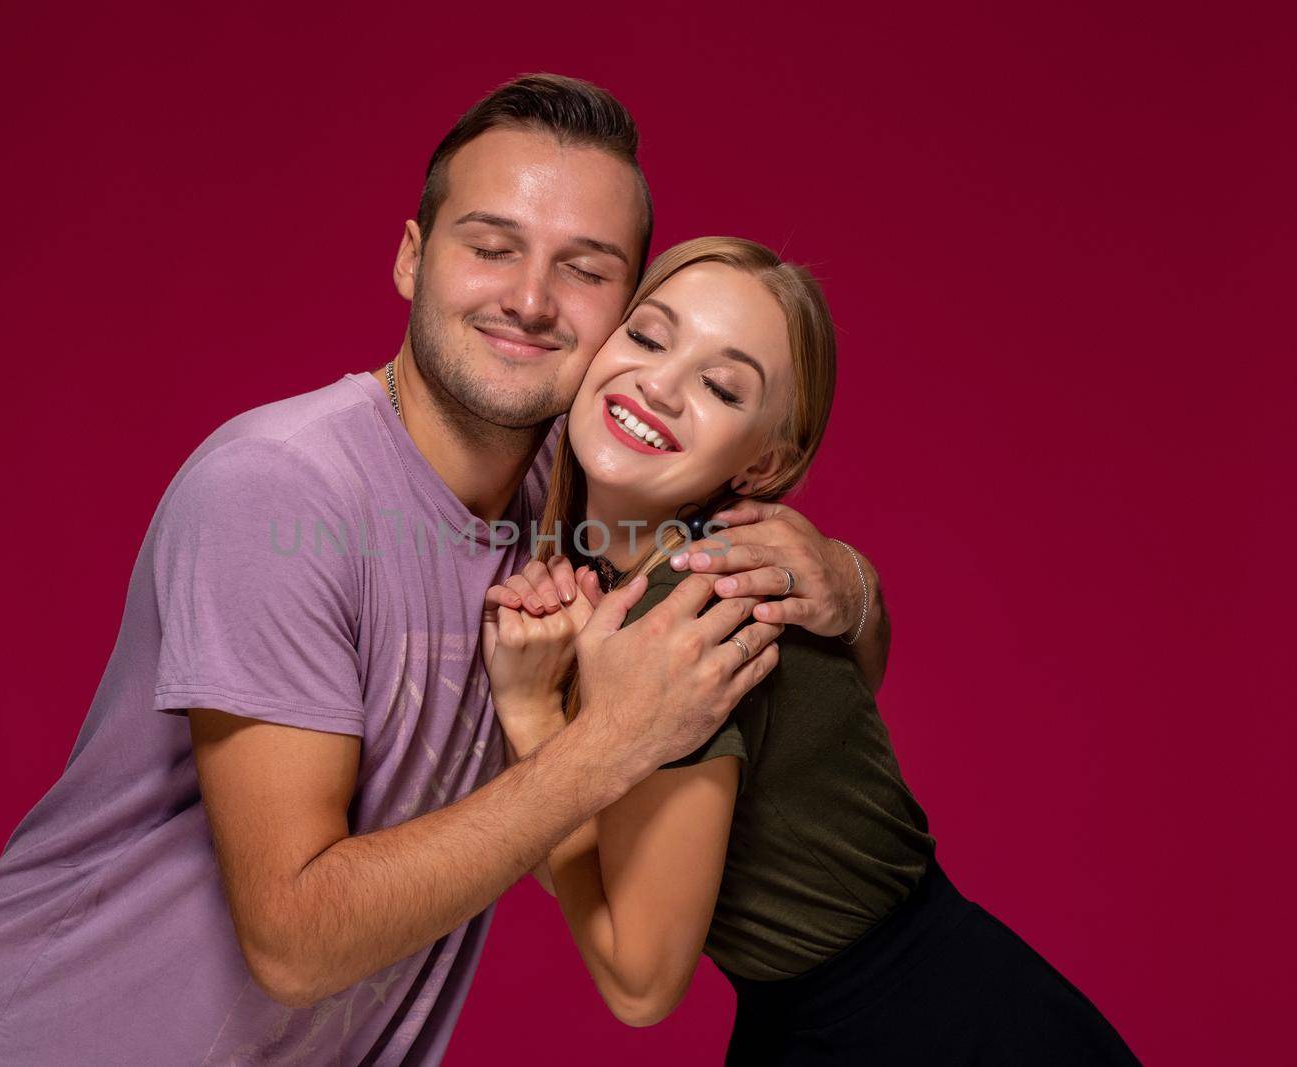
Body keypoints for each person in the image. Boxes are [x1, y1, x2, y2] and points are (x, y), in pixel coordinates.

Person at [0, 77, 889, 1066]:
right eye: (491, 247)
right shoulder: (280, 490)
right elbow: (294, 938)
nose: (531, 299)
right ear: (413, 258)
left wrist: (848, 583)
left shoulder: (587, 492)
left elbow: (805, 668)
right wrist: (612, 741)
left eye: (583, 270)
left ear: (626, 313)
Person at [483, 236, 1140, 1064]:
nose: (660, 384)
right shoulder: (610, 571)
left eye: (721, 387)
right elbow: (595, 862)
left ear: (764, 463)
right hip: (810, 1021)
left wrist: (534, 715)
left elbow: (639, 985)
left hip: (931, 1034)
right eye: (648, 336)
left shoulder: (691, 614)